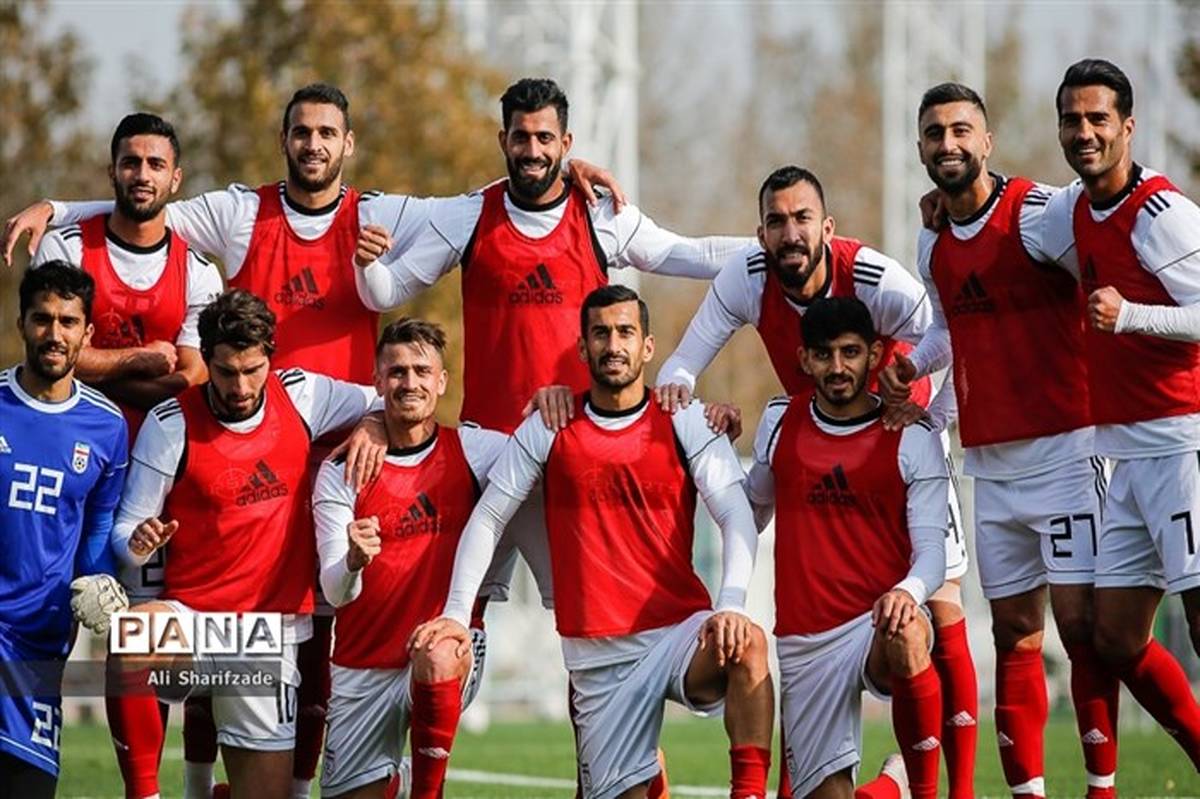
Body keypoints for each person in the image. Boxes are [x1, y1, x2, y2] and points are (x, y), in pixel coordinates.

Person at [650, 165, 973, 799]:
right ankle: (882, 784)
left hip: (896, 440)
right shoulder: (746, 277)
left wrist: (927, 418)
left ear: (827, 227)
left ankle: (953, 791)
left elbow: (952, 337)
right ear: (760, 233)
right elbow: (679, 369)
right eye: (776, 221)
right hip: (812, 438)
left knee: (935, 606)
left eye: (802, 219)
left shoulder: (874, 277)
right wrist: (703, 421)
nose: (790, 233)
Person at [411, 285, 773, 799]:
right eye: (601, 334)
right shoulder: (550, 426)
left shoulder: (685, 419)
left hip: (677, 634)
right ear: (583, 348)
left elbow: (736, 514)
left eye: (626, 332)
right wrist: (454, 611)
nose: (614, 345)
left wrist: (731, 604)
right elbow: (490, 515)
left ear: (648, 346)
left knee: (747, 643)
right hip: (598, 660)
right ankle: (645, 777)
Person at [881, 82, 1116, 799]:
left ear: (987, 142)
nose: (947, 144)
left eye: (961, 131)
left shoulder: (1040, 213)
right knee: (1013, 632)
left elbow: (1102, 256)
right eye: (934, 134)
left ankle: (1102, 788)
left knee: (1080, 628)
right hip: (988, 462)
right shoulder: (931, 238)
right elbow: (948, 328)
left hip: (1068, 452)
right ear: (921, 149)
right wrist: (912, 366)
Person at [73, 289, 383, 799]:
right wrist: (140, 540)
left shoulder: (302, 394)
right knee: (133, 637)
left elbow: (381, 401)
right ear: (207, 361)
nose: (240, 386)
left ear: (270, 357)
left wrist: (372, 425)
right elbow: (125, 532)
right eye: (225, 371)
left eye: (252, 370)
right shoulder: (170, 424)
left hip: (268, 634)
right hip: (195, 622)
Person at [28, 112, 224, 799]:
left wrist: (98, 369)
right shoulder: (67, 245)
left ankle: (182, 786)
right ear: (112, 169)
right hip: (67, 466)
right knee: (52, 623)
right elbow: (53, 351)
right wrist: (141, 359)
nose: (142, 174)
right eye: (131, 161)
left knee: (165, 633)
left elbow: (193, 377)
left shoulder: (198, 269)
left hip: (161, 480)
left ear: (176, 177)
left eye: (155, 164)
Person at [1038, 58, 1200, 773]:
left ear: (1127, 127)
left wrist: (1133, 315)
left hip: (1182, 443)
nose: (1084, 132)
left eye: (1098, 118)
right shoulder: (1072, 209)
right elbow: (1011, 210)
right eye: (1071, 119)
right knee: (1115, 637)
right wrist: (945, 203)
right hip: (1125, 455)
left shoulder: (1162, 215)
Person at [747, 296, 948, 799]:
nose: (837, 367)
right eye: (823, 354)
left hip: (877, 621)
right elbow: (750, 511)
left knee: (907, 632)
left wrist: (906, 592)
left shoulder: (912, 435)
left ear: (874, 354)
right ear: (804, 359)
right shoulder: (779, 421)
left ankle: (923, 790)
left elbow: (932, 553)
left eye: (851, 352)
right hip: (805, 640)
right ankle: (893, 785)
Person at [313, 318, 507, 798]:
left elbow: (547, 454)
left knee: (437, 656)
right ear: (378, 382)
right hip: (361, 666)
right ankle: (393, 781)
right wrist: (353, 560)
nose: (410, 382)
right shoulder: (341, 471)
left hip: (446, 650)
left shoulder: (477, 451)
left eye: (422, 371)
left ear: (442, 381)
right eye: (397, 372)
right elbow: (335, 591)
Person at [0, 263, 129, 798]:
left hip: (42, 642)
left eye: (68, 322)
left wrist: (100, 581)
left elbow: (97, 530)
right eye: (42, 319)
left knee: (28, 788)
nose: (54, 333)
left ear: (87, 333)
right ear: (22, 325)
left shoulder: (108, 426)